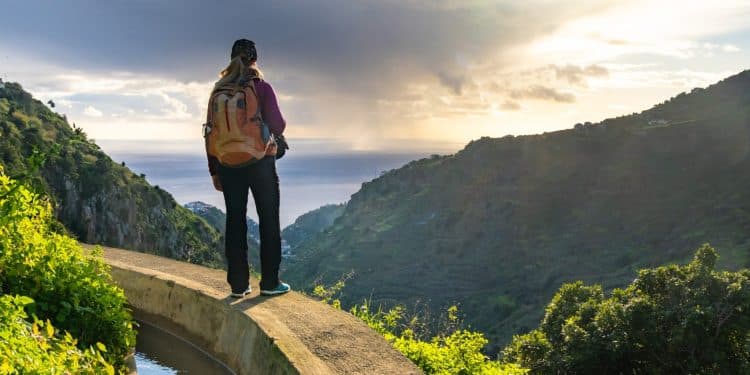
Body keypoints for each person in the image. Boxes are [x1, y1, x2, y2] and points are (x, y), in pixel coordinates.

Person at [206, 39, 290, 297]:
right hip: (260, 162)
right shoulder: (261, 88)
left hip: (228, 165)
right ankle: (270, 283)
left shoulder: (218, 92)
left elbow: (210, 133)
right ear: (254, 60)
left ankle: (239, 285)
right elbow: (278, 124)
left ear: (231, 59)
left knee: (235, 221)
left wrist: (215, 170)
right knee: (268, 220)